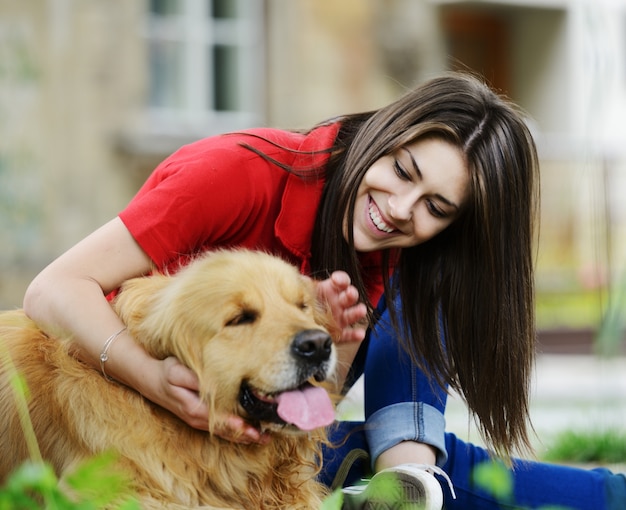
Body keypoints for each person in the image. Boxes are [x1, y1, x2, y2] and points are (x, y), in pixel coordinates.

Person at [22, 72, 625, 509]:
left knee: (415, 441)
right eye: (402, 171)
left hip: (256, 435)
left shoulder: (393, 250)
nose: (398, 209)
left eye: (436, 207)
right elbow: (52, 288)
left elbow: (308, 411)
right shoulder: (236, 171)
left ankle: (413, 478)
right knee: (409, 462)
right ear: (385, 134)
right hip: (142, 412)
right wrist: (154, 379)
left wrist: (333, 348)